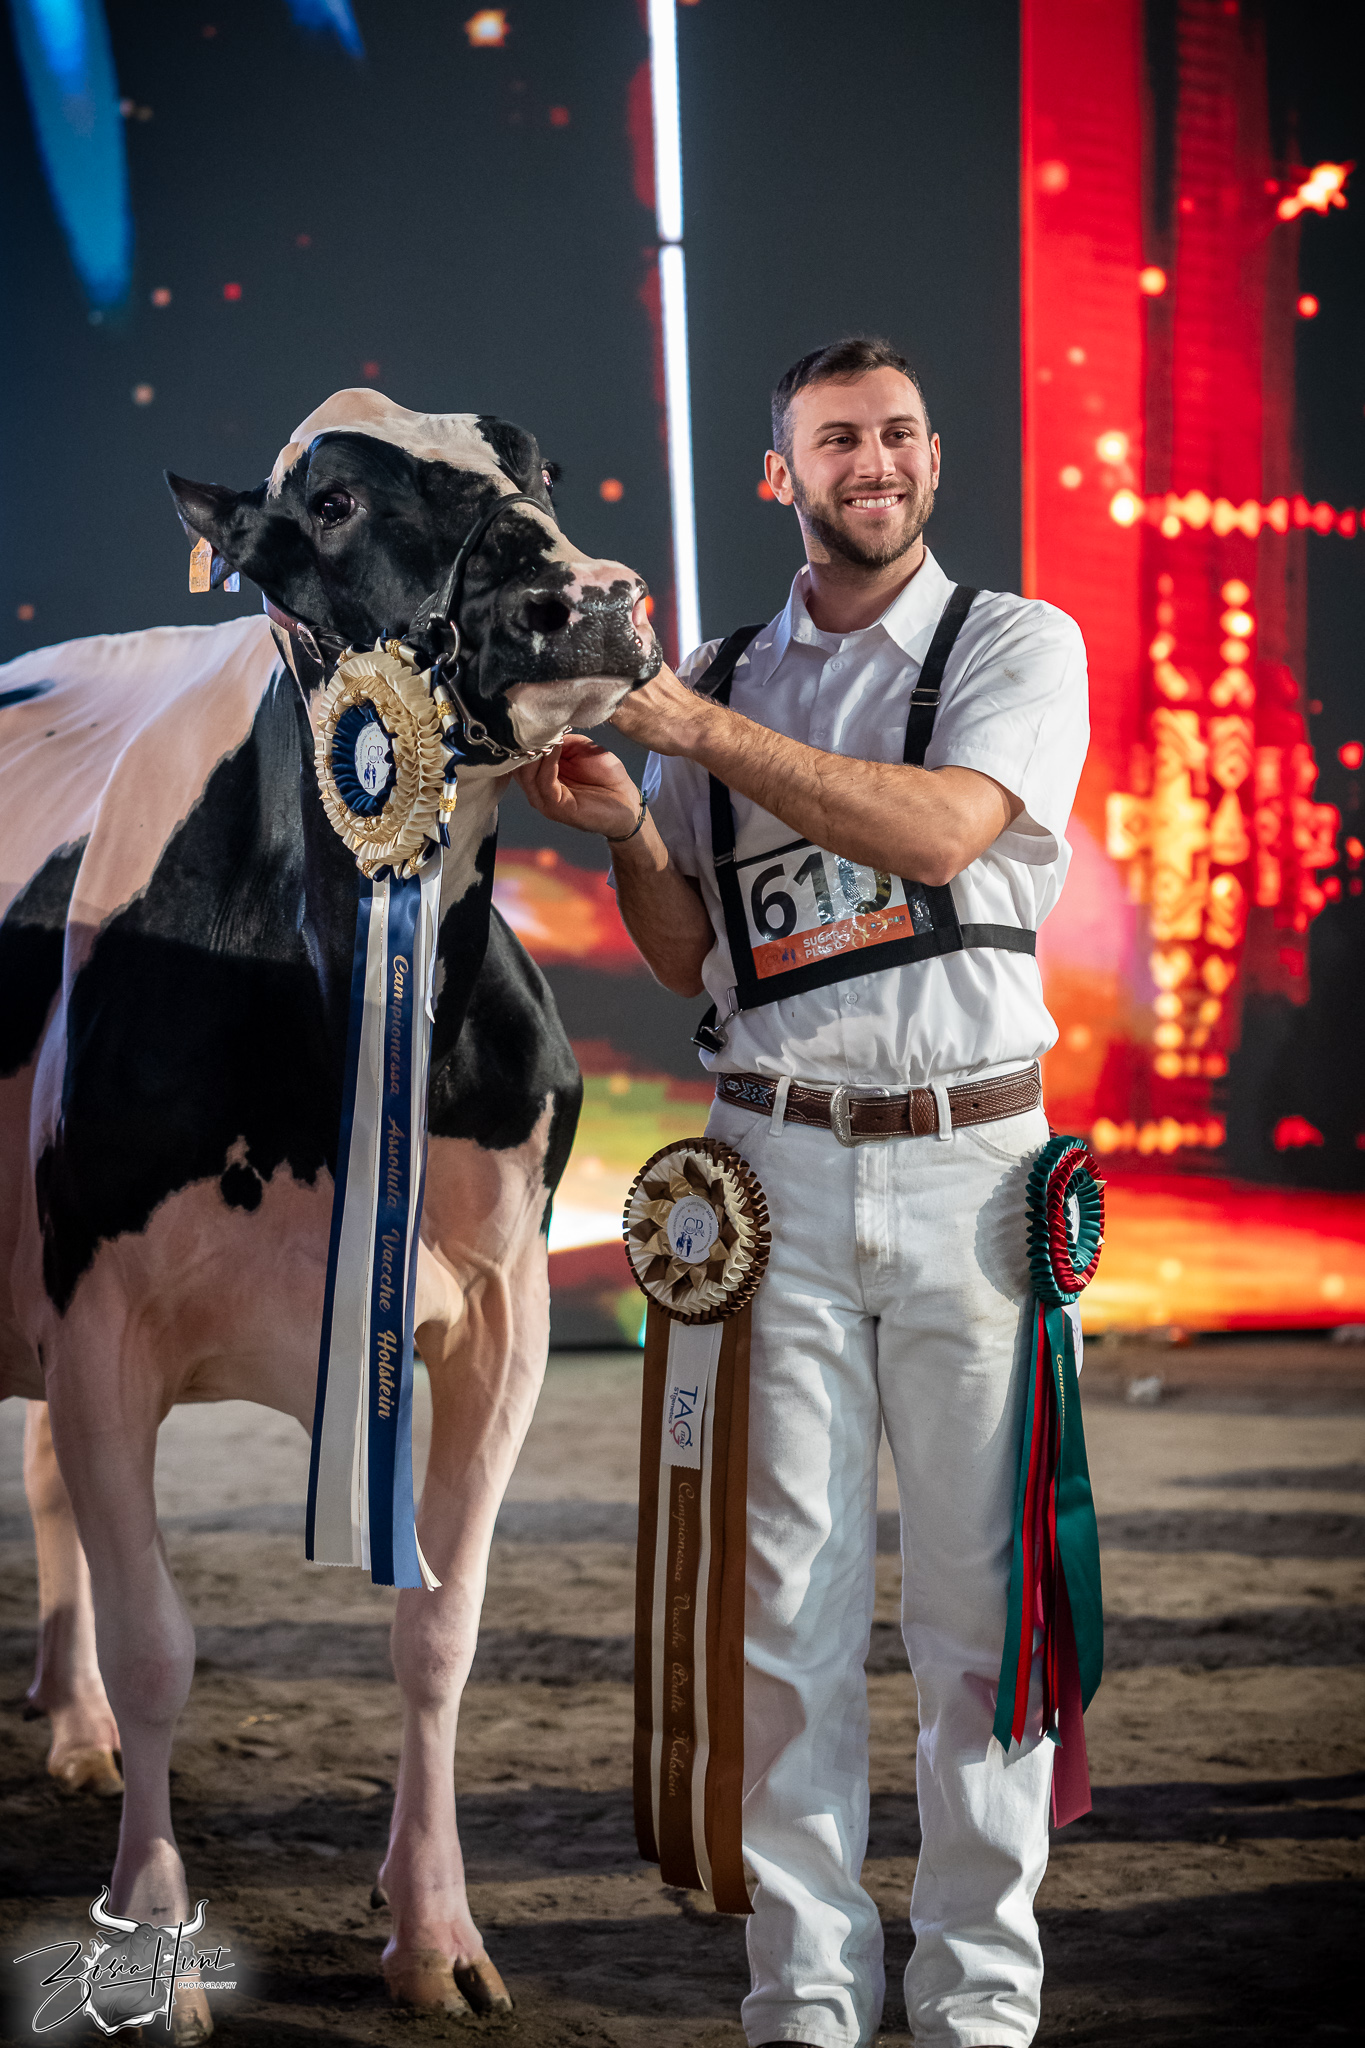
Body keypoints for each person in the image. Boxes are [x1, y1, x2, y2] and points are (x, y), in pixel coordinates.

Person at [518, 335, 1090, 2048]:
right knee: (784, 1617)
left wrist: (683, 727)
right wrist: (632, 826)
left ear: (934, 457)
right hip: (769, 1173)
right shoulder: (715, 671)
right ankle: (805, 2002)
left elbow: (937, 836)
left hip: (975, 1174)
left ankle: (979, 2003)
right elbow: (689, 950)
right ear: (781, 473)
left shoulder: (1013, 644)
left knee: (982, 1621)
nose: (875, 462)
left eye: (898, 433)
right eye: (837, 438)